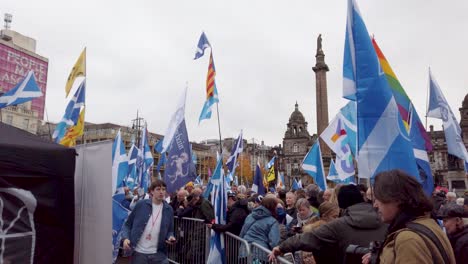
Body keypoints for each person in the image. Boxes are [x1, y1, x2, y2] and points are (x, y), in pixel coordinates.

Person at [269, 184, 387, 264]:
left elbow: (309, 238)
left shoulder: (340, 225)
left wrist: (280, 247)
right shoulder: (388, 222)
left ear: (341, 205)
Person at [363, 170, 456, 264]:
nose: (375, 205)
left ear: (396, 198)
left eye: (378, 199)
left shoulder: (407, 239)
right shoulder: (428, 222)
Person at [121, 180, 176, 264]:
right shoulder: (141, 205)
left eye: (163, 189)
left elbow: (170, 230)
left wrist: (170, 237)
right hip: (139, 254)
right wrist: (125, 238)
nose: (161, 192)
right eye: (158, 189)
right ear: (151, 192)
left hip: (159, 254)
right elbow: (127, 225)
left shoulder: (168, 209)